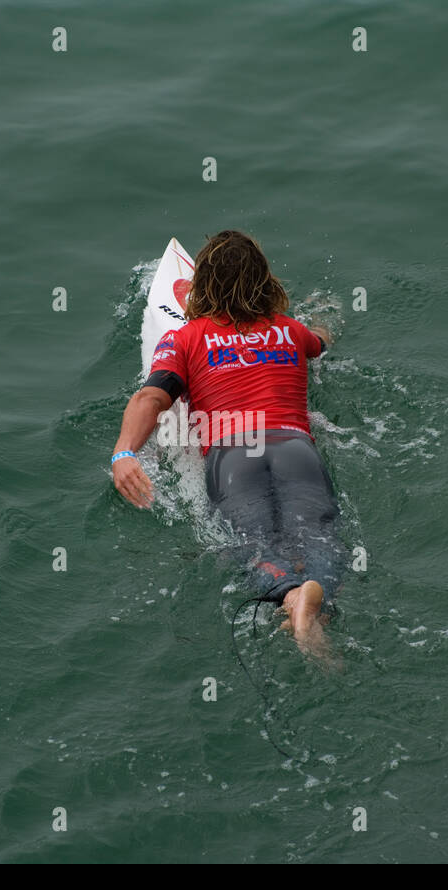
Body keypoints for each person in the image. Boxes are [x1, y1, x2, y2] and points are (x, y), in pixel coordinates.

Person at [111, 230, 342, 663]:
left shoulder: (186, 338)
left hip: (234, 455)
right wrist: (328, 320)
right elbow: (321, 343)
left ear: (203, 288)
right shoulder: (290, 332)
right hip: (295, 448)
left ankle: (290, 598)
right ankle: (318, 595)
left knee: (250, 542)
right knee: (321, 533)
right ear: (264, 282)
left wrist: (125, 453)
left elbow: (151, 398)